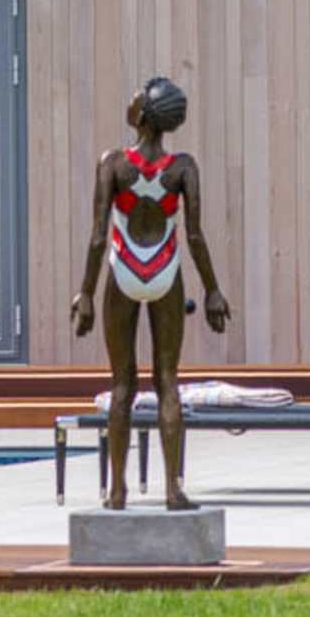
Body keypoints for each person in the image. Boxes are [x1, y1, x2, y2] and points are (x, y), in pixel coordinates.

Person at [69, 75, 233, 510]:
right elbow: (195, 236)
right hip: (165, 270)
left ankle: (118, 490)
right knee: (168, 383)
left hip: (123, 271)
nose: (130, 100)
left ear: (141, 114)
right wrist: (213, 290)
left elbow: (97, 238)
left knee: (122, 383)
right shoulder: (183, 168)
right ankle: (173, 490)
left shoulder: (113, 164)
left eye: (135, 97)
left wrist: (86, 293)